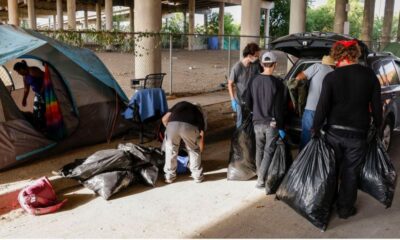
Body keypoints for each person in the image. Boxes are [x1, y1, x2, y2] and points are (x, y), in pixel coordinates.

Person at [312, 40, 382, 219]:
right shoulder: (369, 75)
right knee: (351, 172)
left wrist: (315, 128)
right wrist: (378, 127)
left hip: (333, 133)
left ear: (337, 55)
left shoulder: (331, 77)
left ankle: (327, 205)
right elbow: (376, 106)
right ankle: (344, 209)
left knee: (332, 170)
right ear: (355, 53)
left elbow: (322, 107)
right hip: (358, 134)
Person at [245, 51, 286, 189]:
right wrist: (281, 126)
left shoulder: (253, 80)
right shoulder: (278, 83)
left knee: (259, 150)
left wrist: (254, 111)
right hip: (271, 123)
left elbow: (247, 101)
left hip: (257, 122)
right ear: (275, 65)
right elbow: (279, 107)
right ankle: (261, 179)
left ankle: (260, 175)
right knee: (268, 151)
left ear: (262, 64)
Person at [295, 55, 335, 149]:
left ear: (323, 62)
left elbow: (299, 77)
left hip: (311, 109)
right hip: (327, 113)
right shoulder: (334, 73)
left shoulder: (317, 66)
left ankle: (303, 161)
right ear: (333, 65)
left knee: (306, 137)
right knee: (322, 139)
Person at [162, 101, 206, 184]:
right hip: (189, 127)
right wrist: (199, 150)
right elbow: (201, 135)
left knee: (171, 150)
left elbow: (164, 119)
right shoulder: (199, 113)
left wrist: (171, 131)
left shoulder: (180, 104)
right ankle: (197, 176)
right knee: (193, 150)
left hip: (172, 125)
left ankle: (169, 176)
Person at [228, 43, 262, 128]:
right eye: (256, 56)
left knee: (253, 120)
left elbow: (260, 77)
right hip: (240, 99)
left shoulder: (255, 65)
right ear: (250, 56)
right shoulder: (237, 68)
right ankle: (240, 138)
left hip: (253, 98)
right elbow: (230, 84)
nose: (258, 58)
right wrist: (233, 100)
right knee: (240, 121)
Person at [13, 60, 45, 129]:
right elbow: (26, 89)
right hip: (38, 94)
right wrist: (24, 99)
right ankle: (40, 127)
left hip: (46, 91)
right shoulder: (25, 77)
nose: (18, 74)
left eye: (18, 72)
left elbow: (46, 77)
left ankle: (46, 126)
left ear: (21, 69)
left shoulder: (32, 70)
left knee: (44, 110)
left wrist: (42, 89)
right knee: (37, 110)